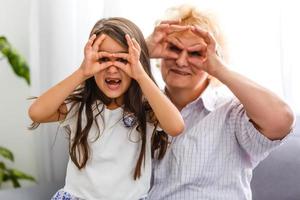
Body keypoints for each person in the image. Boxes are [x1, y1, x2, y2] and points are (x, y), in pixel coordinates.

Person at [146, 5, 295, 200]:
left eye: (195, 53)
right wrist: (141, 51)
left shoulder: (230, 112)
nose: (181, 61)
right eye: (174, 48)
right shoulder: (138, 109)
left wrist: (219, 69)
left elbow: (282, 119)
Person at [28, 17, 184, 200]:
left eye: (122, 59)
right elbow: (36, 113)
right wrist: (82, 72)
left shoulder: (146, 109)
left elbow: (176, 127)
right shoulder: (80, 106)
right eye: (103, 58)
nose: (112, 69)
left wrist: (141, 75)